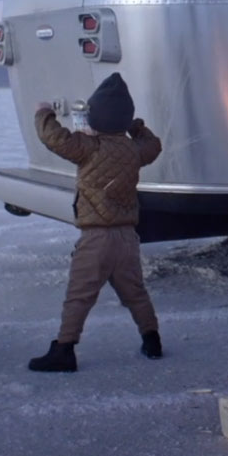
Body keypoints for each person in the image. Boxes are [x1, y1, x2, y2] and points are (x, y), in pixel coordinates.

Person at [28, 72, 163, 373]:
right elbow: (153, 145)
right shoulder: (134, 150)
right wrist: (136, 127)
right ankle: (152, 339)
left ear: (95, 117)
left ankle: (64, 349)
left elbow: (53, 138)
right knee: (135, 292)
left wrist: (43, 112)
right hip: (127, 237)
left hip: (96, 239)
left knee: (79, 295)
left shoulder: (88, 147)